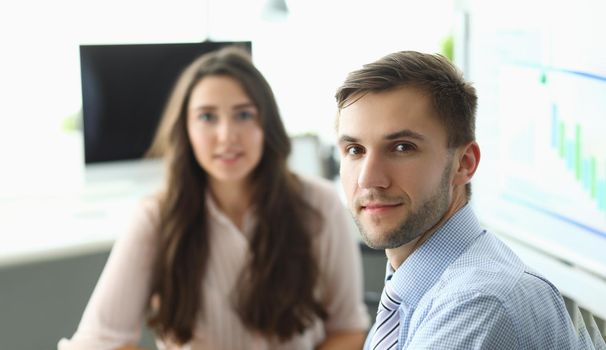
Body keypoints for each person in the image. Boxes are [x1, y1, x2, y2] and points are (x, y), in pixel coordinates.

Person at [59, 46, 369, 350]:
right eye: (207, 117)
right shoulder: (157, 217)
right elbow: (94, 342)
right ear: (186, 130)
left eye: (244, 114)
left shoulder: (319, 204)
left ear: (267, 124)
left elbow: (348, 329)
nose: (226, 135)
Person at [334, 50, 605, 349]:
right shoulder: (413, 288)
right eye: (355, 150)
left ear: (464, 163)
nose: (368, 179)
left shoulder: (478, 303)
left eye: (401, 148)